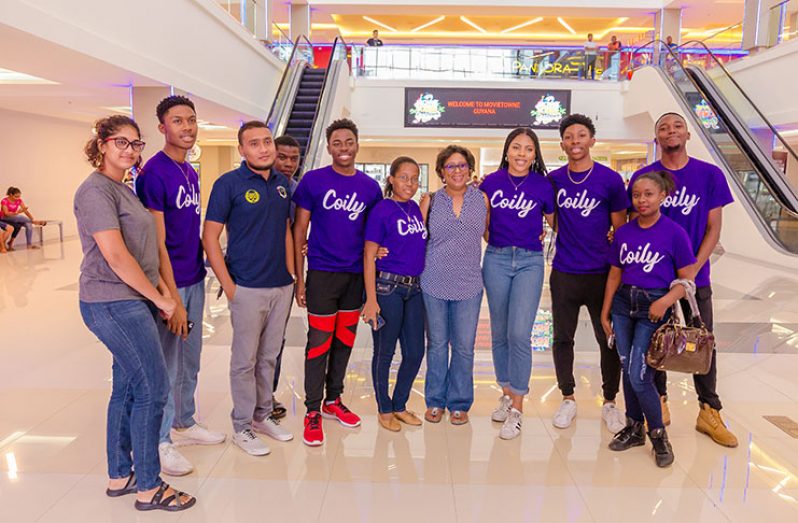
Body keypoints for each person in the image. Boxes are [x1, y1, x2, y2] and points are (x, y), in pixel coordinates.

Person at [75, 115, 195, 511]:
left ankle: (119, 476)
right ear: (103, 145)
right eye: (120, 142)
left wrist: (162, 292)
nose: (129, 150)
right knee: (153, 389)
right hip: (112, 301)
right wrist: (161, 300)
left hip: (131, 300)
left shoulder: (123, 188)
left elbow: (145, 253)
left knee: (127, 389)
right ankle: (148, 486)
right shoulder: (95, 191)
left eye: (135, 143)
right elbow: (115, 255)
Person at [630, 112, 738, 448]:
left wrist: (693, 266)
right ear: (656, 137)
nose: (670, 131)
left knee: (703, 341)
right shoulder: (643, 176)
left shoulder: (709, 175)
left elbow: (714, 227)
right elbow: (636, 226)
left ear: (688, 134)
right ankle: (659, 402)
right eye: (663, 128)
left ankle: (709, 410)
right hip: (653, 279)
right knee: (655, 342)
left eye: (677, 126)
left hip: (695, 277)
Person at [135, 95, 225, 476]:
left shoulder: (189, 170)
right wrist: (171, 297)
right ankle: (160, 441)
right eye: (177, 121)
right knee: (167, 364)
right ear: (162, 127)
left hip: (193, 276)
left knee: (190, 359)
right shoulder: (153, 174)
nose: (187, 127)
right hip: (171, 285)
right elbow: (156, 244)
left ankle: (185, 421)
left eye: (191, 120)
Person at [203, 121, 295, 456]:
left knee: (269, 357)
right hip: (246, 287)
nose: (263, 148)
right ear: (242, 150)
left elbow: (286, 231)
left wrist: (292, 275)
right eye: (254, 143)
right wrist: (229, 287)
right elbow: (210, 237)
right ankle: (242, 426)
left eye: (267, 141)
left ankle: (261, 416)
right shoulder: (228, 184)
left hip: (280, 286)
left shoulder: (283, 184)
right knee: (245, 360)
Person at [292, 118, 382, 446]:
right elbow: (299, 231)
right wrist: (299, 279)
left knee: (344, 340)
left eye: (349, 142)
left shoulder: (370, 188)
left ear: (357, 144)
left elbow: (373, 234)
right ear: (328, 147)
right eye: (337, 143)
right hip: (321, 275)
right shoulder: (313, 182)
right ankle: (312, 409)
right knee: (319, 343)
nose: (343, 148)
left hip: (355, 276)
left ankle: (334, 400)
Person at [601, 170, 696, 468]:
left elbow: (688, 279)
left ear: (663, 197)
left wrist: (665, 301)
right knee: (628, 367)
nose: (641, 200)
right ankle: (633, 427)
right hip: (622, 306)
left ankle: (658, 434)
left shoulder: (674, 233)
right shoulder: (625, 232)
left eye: (648, 194)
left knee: (641, 375)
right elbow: (615, 272)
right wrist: (605, 312)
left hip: (653, 309)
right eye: (637, 195)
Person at [548, 114, 629, 434]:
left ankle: (610, 401)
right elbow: (552, 219)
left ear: (592, 140)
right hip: (565, 272)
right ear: (562, 144)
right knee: (562, 338)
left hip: (601, 273)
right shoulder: (555, 179)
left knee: (607, 338)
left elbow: (621, 228)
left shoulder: (609, 180)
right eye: (569, 137)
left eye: (581, 135)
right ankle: (567, 397)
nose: (575, 141)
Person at [480, 128, 554, 440]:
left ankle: (518, 408)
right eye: (516, 148)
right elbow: (482, 226)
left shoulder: (543, 185)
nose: (521, 154)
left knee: (519, 334)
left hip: (529, 261)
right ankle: (506, 392)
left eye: (528, 149)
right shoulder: (491, 182)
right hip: (495, 259)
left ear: (535, 155)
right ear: (507, 151)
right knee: (499, 333)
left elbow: (557, 223)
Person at [420, 145, 488, 426]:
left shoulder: (482, 199)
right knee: (436, 345)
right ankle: (435, 400)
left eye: (462, 165)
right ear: (441, 172)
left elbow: (489, 234)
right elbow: (416, 239)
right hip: (433, 281)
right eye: (451, 166)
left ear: (470, 169)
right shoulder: (430, 200)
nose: (457, 171)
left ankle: (459, 402)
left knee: (464, 347)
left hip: (470, 284)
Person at [362, 157, 427, 432]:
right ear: (391, 179)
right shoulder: (382, 209)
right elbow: (368, 255)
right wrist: (371, 300)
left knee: (415, 352)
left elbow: (414, 239)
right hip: (387, 288)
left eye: (414, 178)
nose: (409, 183)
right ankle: (384, 408)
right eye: (403, 177)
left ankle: (400, 404)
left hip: (415, 289)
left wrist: (423, 206)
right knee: (385, 351)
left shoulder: (413, 208)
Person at [269, 134, 302, 420]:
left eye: (294, 158)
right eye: (283, 157)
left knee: (276, 339)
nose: (289, 164)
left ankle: (266, 396)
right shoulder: (247, 185)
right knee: (250, 344)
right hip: (251, 277)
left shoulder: (297, 190)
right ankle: (249, 402)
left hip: (284, 276)